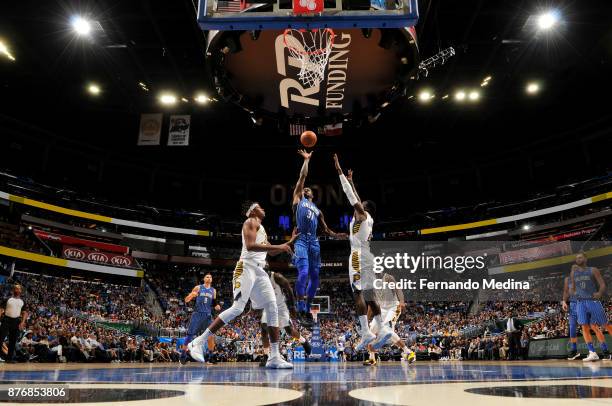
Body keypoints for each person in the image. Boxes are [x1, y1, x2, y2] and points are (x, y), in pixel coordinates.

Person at [188, 201, 297, 368]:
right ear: (252, 210)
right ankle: (198, 342)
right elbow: (250, 246)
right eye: (260, 206)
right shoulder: (250, 222)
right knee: (238, 308)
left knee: (272, 306)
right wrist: (280, 245)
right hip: (246, 268)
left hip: (260, 271)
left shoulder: (262, 228)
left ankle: (274, 357)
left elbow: (270, 251)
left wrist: (287, 244)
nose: (263, 208)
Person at [333, 153, 391, 351]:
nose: (357, 207)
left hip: (358, 256)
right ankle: (383, 328)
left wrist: (340, 173)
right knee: (369, 293)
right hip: (368, 256)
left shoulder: (361, 214)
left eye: (360, 205)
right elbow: (357, 198)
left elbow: (352, 198)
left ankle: (366, 331)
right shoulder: (369, 220)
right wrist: (352, 180)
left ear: (363, 209)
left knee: (357, 292)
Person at [292, 150, 345, 323]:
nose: (306, 189)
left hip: (314, 242)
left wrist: (337, 235)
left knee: (315, 276)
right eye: (305, 188)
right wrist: (306, 160)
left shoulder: (318, 210)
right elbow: (302, 177)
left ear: (312, 195)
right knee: (304, 272)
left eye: (309, 189)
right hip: (301, 239)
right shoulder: (298, 199)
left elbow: (326, 230)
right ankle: (299, 306)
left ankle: (307, 308)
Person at [258, 270, 312, 366]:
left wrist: (292, 307)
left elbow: (289, 290)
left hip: (281, 306)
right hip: (268, 306)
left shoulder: (277, 277)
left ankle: (304, 342)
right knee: (264, 329)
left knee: (289, 330)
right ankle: (266, 356)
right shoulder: (258, 279)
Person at [364, 273, 416, 366]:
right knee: (370, 332)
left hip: (393, 307)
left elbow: (398, 289)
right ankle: (372, 359)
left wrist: (402, 301)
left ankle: (408, 352)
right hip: (382, 310)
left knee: (388, 330)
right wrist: (366, 320)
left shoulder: (387, 277)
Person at [570, 253, 612, 362]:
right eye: (577, 258)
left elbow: (602, 284)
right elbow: (572, 288)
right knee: (584, 327)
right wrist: (575, 293)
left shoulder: (593, 270)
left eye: (580, 257)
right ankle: (592, 352)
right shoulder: (574, 273)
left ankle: (605, 351)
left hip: (592, 301)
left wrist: (599, 292)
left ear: (585, 259)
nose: (578, 259)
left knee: (606, 324)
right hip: (580, 303)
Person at [182, 273, 221, 364]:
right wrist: (191, 295)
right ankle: (183, 355)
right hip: (197, 314)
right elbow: (186, 300)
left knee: (211, 336)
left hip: (208, 315)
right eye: (207, 276)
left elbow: (214, 303)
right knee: (190, 335)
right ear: (204, 279)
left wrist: (217, 306)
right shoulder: (198, 287)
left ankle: (210, 357)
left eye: (210, 277)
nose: (209, 278)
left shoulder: (213, 290)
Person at [0, 284, 27, 363]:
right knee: (0, 339)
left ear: (21, 291)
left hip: (16, 321)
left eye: (18, 289)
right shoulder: (7, 299)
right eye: (15, 288)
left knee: (13, 341)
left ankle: (9, 359)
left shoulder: (22, 301)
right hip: (6, 320)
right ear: (13, 290)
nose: (17, 290)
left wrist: (22, 322)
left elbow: (24, 313)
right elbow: (1, 309)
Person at [562, 273, 581, 360]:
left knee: (588, 327)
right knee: (572, 327)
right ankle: (574, 350)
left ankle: (601, 350)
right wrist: (564, 301)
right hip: (573, 306)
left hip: (583, 304)